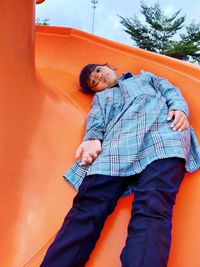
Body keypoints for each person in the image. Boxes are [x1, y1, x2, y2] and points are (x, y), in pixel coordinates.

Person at [41, 63, 200, 267]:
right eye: (94, 82)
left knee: (153, 206)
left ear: (109, 67)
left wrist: (179, 107)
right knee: (88, 207)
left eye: (99, 70)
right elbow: (96, 121)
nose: (100, 77)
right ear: (95, 90)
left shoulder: (145, 78)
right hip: (117, 146)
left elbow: (169, 89)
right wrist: (92, 139)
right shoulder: (103, 98)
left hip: (161, 137)